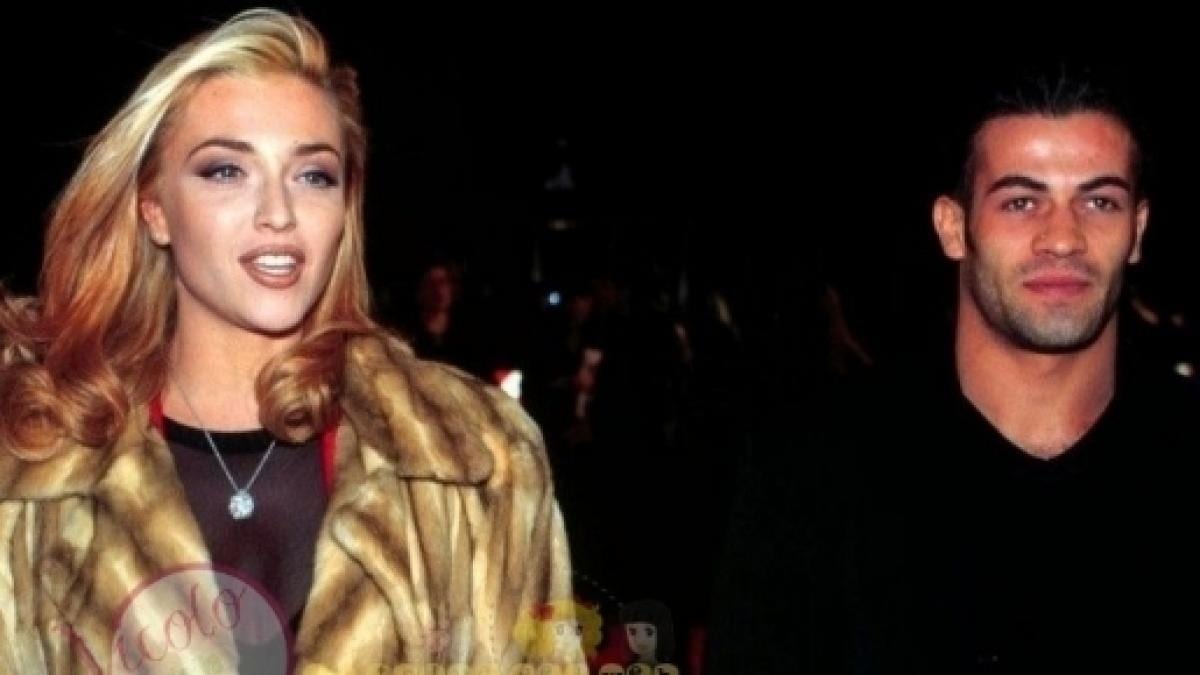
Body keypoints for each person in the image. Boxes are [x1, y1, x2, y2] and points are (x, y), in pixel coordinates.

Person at [0, 9, 576, 673]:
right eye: (226, 171)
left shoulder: (476, 456)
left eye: (313, 176)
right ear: (154, 209)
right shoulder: (32, 466)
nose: (279, 213)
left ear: (344, 208)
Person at [706, 67, 1198, 674]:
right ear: (953, 227)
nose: (1063, 238)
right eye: (1021, 202)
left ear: (1137, 230)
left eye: (1099, 201)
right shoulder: (812, 470)